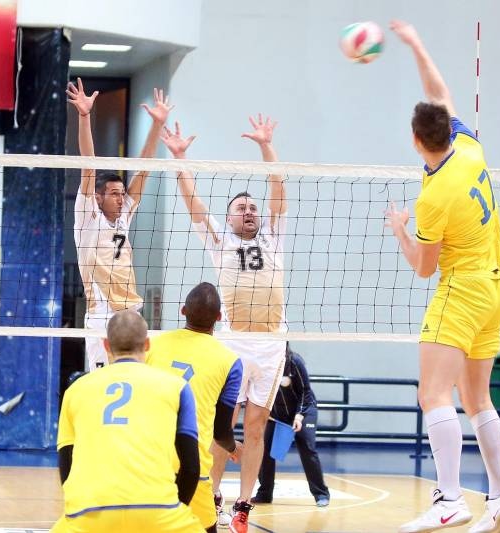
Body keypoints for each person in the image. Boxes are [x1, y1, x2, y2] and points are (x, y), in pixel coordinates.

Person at [384, 20, 500, 533]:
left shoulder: (433, 197)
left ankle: (450, 499)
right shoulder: (469, 146)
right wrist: (418, 43)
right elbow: (439, 92)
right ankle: (499, 497)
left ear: (415, 140)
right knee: (477, 398)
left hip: (461, 291)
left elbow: (424, 268)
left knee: (433, 395)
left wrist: (401, 231)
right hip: (496, 288)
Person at [161, 115, 287, 533]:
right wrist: (180, 159)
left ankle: (244, 503)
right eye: (240, 208)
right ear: (230, 218)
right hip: (232, 344)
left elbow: (278, 189)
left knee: (256, 427)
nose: (248, 212)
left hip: (271, 343)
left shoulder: (274, 237)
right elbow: (193, 202)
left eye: (252, 208)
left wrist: (266, 146)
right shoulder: (221, 241)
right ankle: (212, 495)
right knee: (224, 426)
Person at [53, 310, 204, 533]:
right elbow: (191, 468)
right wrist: (173, 511)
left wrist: (79, 511)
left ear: (106, 345)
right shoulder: (178, 387)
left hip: (88, 513)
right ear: (148, 344)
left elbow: (66, 465)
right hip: (159, 511)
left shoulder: (75, 390)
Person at [67, 79, 172, 371]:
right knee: (104, 381)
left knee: (136, 379)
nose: (120, 198)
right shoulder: (87, 217)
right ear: (98, 197)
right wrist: (84, 116)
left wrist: (157, 125)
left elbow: (145, 169)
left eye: (121, 193)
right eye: (114, 193)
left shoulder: (124, 216)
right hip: (102, 315)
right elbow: (88, 164)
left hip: (131, 313)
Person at [147, 282, 245, 533]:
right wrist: (234, 449)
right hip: (192, 466)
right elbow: (221, 431)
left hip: (148, 461)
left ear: (183, 311)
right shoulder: (230, 361)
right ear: (219, 318)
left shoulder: (152, 345)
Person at [252, 343, 330, 507]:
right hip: (276, 414)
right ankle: (265, 493)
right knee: (264, 449)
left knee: (307, 448)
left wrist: (299, 416)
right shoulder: (262, 364)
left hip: (304, 411)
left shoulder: (294, 362)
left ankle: (321, 494)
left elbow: (305, 392)